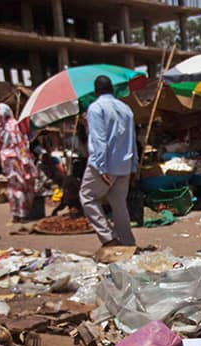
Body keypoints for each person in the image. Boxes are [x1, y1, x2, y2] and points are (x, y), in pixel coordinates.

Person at [80, 75, 138, 248]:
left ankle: (108, 238)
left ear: (96, 91)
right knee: (119, 203)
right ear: (111, 90)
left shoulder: (96, 108)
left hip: (106, 164)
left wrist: (101, 166)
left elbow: (99, 139)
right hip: (124, 164)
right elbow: (132, 139)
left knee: (87, 197)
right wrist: (134, 166)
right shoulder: (126, 108)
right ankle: (127, 242)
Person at [0, 103, 39, 222]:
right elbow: (23, 143)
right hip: (19, 160)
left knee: (13, 186)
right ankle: (23, 213)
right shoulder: (16, 125)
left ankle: (15, 213)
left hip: (7, 161)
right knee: (23, 185)